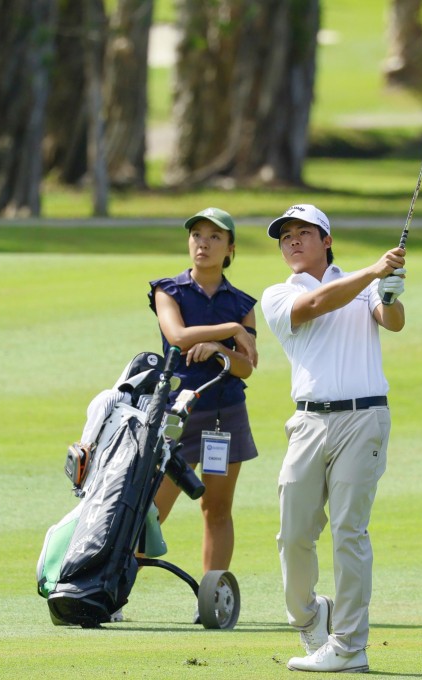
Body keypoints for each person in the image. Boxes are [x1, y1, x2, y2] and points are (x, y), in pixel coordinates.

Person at [260, 204, 407, 673]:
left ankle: (348, 645)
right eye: (286, 237)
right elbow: (317, 305)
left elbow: (394, 321)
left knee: (349, 530)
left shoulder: (362, 288)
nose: (293, 242)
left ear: (327, 240)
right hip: (307, 424)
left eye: (304, 233)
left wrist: (389, 290)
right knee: (293, 533)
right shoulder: (278, 296)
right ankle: (308, 615)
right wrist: (374, 271)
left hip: (364, 419)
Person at [147, 207, 260, 610]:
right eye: (197, 235)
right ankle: (115, 593)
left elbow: (248, 366)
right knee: (151, 510)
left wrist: (219, 350)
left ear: (230, 248)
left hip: (224, 414)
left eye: (215, 237)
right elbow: (176, 337)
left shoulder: (242, 302)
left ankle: (209, 602)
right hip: (175, 417)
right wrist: (230, 332)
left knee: (217, 509)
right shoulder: (168, 291)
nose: (204, 244)